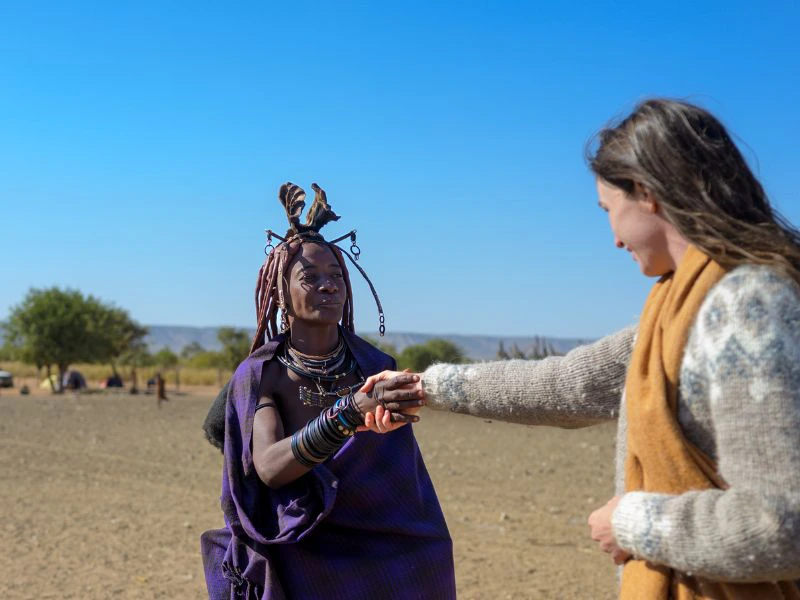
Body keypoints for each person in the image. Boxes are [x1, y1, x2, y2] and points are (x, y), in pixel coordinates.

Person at [365, 99, 800, 598]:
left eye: (609, 211)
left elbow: (782, 520)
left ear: (647, 192)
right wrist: (423, 387)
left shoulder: (747, 305)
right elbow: (568, 384)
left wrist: (633, 522)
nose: (614, 239)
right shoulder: (681, 307)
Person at [200, 182, 455, 599]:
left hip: (381, 537)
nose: (328, 285)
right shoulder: (263, 374)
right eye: (310, 277)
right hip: (295, 541)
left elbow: (400, 483)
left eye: (336, 276)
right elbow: (269, 467)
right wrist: (349, 413)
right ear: (281, 292)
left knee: (429, 553)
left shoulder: (375, 367)